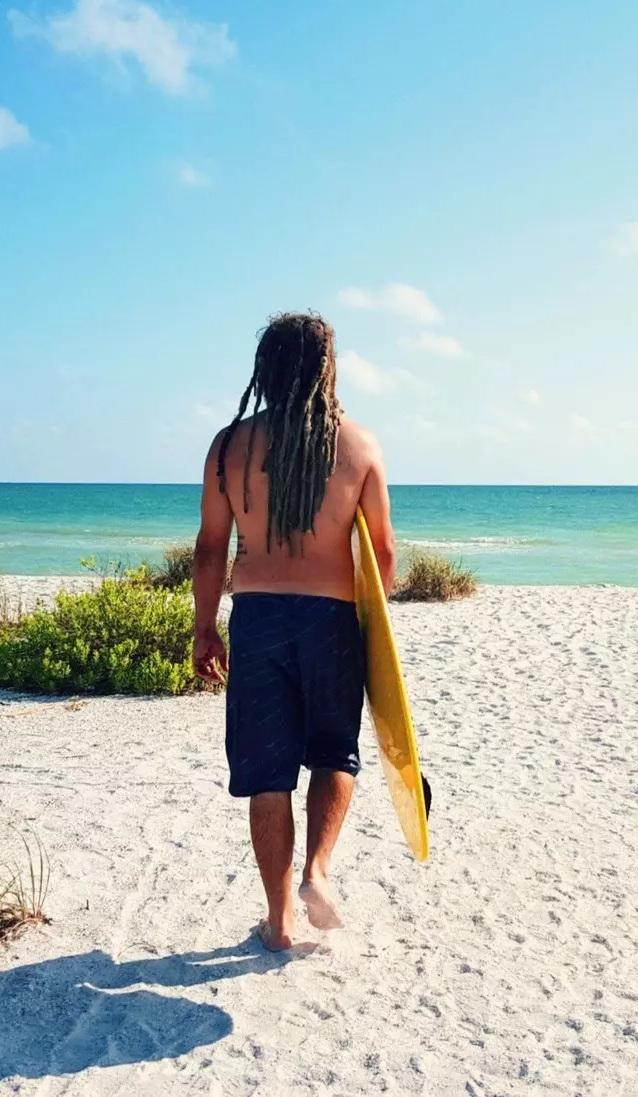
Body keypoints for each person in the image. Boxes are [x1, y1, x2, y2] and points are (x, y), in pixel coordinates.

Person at [192, 311, 395, 951]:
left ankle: (278, 922)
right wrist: (371, 630)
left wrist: (205, 628)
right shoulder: (359, 446)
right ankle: (318, 873)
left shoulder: (229, 447)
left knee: (267, 770)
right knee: (335, 751)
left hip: (256, 619)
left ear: (267, 370)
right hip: (332, 618)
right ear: (327, 368)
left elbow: (208, 550)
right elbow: (382, 555)